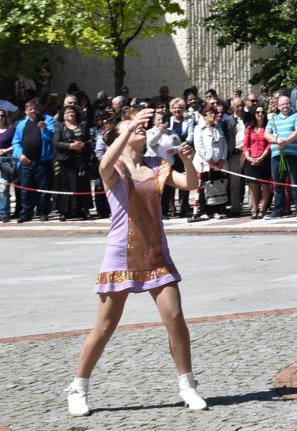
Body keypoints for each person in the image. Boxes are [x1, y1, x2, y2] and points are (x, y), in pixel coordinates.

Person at [68, 106, 207, 415]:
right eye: (129, 128)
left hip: (156, 253)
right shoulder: (114, 168)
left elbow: (191, 184)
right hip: (120, 255)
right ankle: (78, 387)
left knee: (175, 318)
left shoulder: (157, 165)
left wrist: (187, 161)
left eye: (139, 126)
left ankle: (188, 386)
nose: (139, 128)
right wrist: (130, 125)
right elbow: (103, 162)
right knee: (105, 327)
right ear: (120, 137)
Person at [11, 97, 56, 222]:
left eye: (35, 108)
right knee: (26, 189)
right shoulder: (21, 124)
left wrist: (44, 129)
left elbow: (52, 137)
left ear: (39, 109)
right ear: (26, 111)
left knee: (43, 188)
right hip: (26, 161)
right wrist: (19, 155)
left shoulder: (47, 120)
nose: (33, 111)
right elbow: (16, 142)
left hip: (42, 161)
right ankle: (26, 213)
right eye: (30, 109)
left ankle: (43, 212)